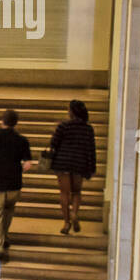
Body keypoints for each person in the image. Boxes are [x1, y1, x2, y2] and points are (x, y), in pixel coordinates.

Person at [0, 109, 33, 262]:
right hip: (14, 183)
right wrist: (16, 170)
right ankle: (4, 236)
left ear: (2, 120)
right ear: (16, 123)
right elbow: (28, 164)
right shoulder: (22, 140)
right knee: (8, 211)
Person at [47, 99, 97, 235]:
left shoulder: (63, 126)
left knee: (64, 193)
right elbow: (91, 149)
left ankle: (66, 222)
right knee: (76, 192)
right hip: (79, 164)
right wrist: (92, 167)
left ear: (72, 112)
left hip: (63, 163)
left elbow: (54, 143)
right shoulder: (88, 129)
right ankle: (74, 213)